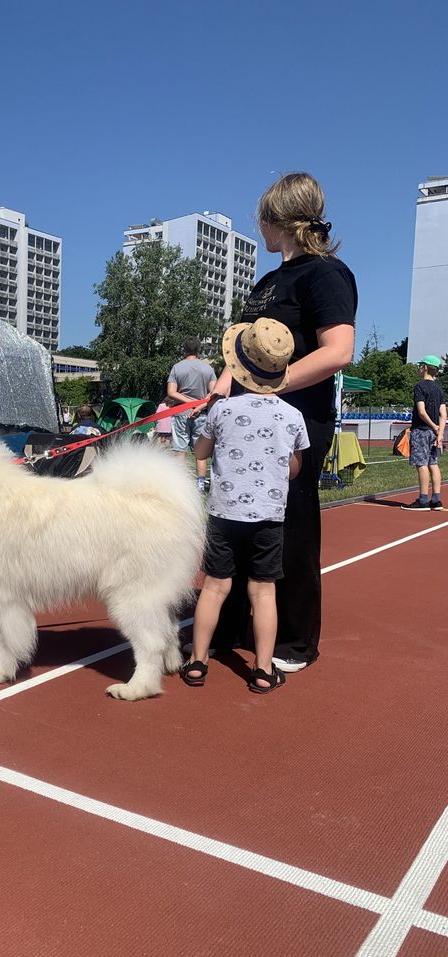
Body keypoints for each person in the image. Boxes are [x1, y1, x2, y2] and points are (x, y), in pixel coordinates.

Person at [208, 173, 356, 673]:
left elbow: (338, 352)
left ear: (281, 221)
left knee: (288, 520)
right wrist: (226, 376)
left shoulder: (326, 275)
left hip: (298, 419)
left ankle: (294, 639)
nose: (259, 229)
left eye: (262, 219)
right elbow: (248, 346)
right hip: (247, 417)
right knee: (233, 514)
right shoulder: (268, 282)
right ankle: (231, 626)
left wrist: (269, 385)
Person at [180, 318, 309, 693]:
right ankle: (264, 669)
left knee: (215, 586)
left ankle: (197, 662)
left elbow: (200, 450)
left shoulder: (222, 411)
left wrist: (212, 417)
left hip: (224, 514)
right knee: (263, 592)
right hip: (268, 517)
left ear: (239, 365)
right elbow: (294, 469)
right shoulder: (292, 415)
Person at [167, 339, 217, 490]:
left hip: (180, 412)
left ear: (184, 350)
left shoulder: (177, 368)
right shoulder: (207, 369)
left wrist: (189, 402)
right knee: (199, 451)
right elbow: (214, 392)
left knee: (180, 450)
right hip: (201, 414)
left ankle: (180, 484)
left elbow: (171, 392)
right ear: (199, 350)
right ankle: (200, 484)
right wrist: (199, 404)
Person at [401, 355, 446, 511]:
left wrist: (433, 426)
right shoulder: (439, 390)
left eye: (420, 365)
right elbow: (443, 414)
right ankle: (436, 499)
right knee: (433, 463)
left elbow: (421, 412)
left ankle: (423, 499)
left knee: (422, 464)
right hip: (434, 433)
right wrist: (439, 433)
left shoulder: (420, 387)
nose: (419, 368)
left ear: (425, 367)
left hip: (421, 430)